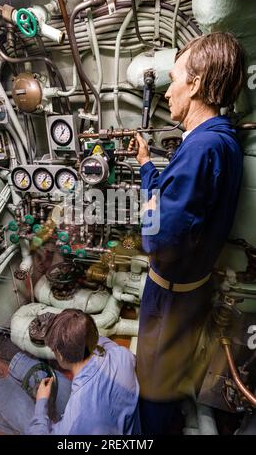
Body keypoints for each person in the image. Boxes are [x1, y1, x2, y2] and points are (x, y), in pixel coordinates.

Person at [128, 32, 245, 434]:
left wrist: (147, 204)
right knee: (174, 375)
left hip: (169, 300)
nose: (166, 92)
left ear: (194, 84)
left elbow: (156, 238)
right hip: (192, 290)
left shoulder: (200, 149)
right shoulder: (221, 140)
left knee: (155, 386)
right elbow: (176, 202)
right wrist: (148, 167)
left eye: (174, 78)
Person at [27, 308, 140, 435]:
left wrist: (41, 403)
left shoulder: (74, 423)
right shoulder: (122, 355)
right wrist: (71, 327)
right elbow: (99, 341)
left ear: (60, 355)